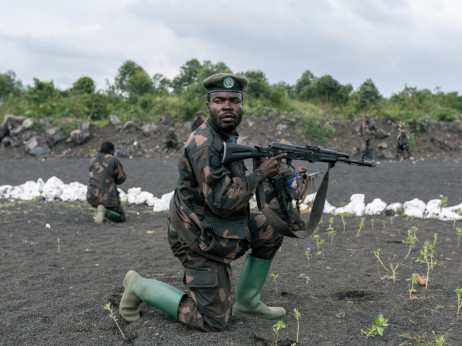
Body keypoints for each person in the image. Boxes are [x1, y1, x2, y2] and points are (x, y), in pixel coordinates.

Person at [120, 73, 287, 332]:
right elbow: (222, 199)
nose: (228, 106)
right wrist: (262, 173)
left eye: (234, 100)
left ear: (242, 105)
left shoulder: (228, 139)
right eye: (220, 100)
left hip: (221, 227)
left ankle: (248, 302)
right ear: (208, 106)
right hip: (197, 238)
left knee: (272, 226)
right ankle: (140, 286)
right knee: (213, 321)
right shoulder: (204, 144)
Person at [263, 148, 310, 231]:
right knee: (301, 226)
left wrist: (296, 173)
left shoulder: (264, 165)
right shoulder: (287, 170)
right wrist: (302, 180)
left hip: (264, 208)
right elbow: (296, 195)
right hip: (280, 208)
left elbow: (281, 178)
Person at [86, 141, 126, 224]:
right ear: (111, 151)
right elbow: (120, 179)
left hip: (92, 196)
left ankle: (99, 210)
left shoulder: (92, 160)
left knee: (101, 202)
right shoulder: (113, 160)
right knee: (121, 216)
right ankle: (104, 211)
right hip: (108, 197)